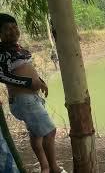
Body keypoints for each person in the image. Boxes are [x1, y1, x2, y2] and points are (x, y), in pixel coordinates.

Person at [0, 13, 66, 173]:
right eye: (7, 29)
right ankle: (53, 168)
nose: (13, 31)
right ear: (0, 34)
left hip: (32, 97)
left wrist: (40, 82)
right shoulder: (2, 52)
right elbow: (2, 75)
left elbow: (29, 71)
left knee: (37, 134)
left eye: (14, 27)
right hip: (23, 99)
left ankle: (45, 167)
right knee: (50, 131)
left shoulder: (19, 49)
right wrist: (30, 83)